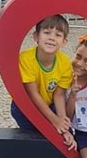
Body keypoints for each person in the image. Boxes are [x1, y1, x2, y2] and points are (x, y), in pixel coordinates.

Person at [9, 15, 75, 148]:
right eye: (46, 32)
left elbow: (59, 94)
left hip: (49, 104)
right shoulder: (26, 58)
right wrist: (54, 120)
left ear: (64, 42)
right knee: (36, 135)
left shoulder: (65, 64)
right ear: (36, 36)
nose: (51, 37)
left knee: (60, 129)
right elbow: (32, 94)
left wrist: (61, 119)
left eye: (58, 35)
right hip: (25, 106)